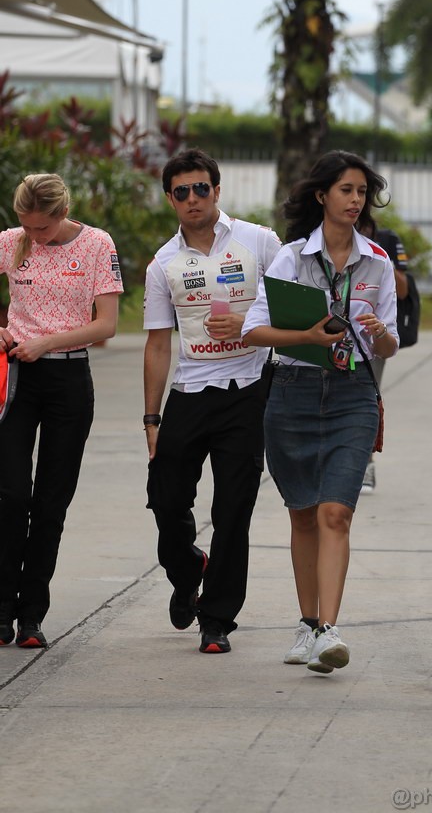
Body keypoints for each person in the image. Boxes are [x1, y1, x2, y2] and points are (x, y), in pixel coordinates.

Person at [242, 150, 399, 674]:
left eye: (361, 193)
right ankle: (306, 625)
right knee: (303, 513)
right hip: (292, 391)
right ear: (321, 196)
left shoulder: (376, 260)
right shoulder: (289, 259)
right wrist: (305, 336)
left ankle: (328, 631)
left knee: (338, 511)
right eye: (346, 191)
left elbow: (391, 345)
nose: (355, 201)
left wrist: (382, 335)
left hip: (354, 390)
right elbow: (253, 330)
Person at [143, 149, 281, 655]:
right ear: (170, 199)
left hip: (247, 391)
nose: (193, 199)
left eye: (202, 188)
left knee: (233, 510)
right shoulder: (164, 263)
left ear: (217, 191)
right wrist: (151, 418)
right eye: (182, 191)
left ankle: (217, 618)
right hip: (189, 393)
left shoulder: (259, 242)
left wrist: (251, 332)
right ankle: (187, 570)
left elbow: (290, 307)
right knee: (166, 499)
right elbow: (159, 343)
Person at [0, 173, 122, 649]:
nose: (35, 238)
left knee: (51, 502)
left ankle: (32, 613)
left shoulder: (96, 245)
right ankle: (2, 606)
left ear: (61, 214)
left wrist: (47, 341)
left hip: (68, 378)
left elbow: (107, 325)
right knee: (11, 496)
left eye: (43, 230)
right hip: (17, 380)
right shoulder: (13, 241)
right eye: (27, 228)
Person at [357, 216, 409, 494]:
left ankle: (366, 464)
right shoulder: (325, 236)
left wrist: (379, 257)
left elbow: (403, 290)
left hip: (372, 337)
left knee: (366, 394)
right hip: (333, 334)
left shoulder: (386, 240)